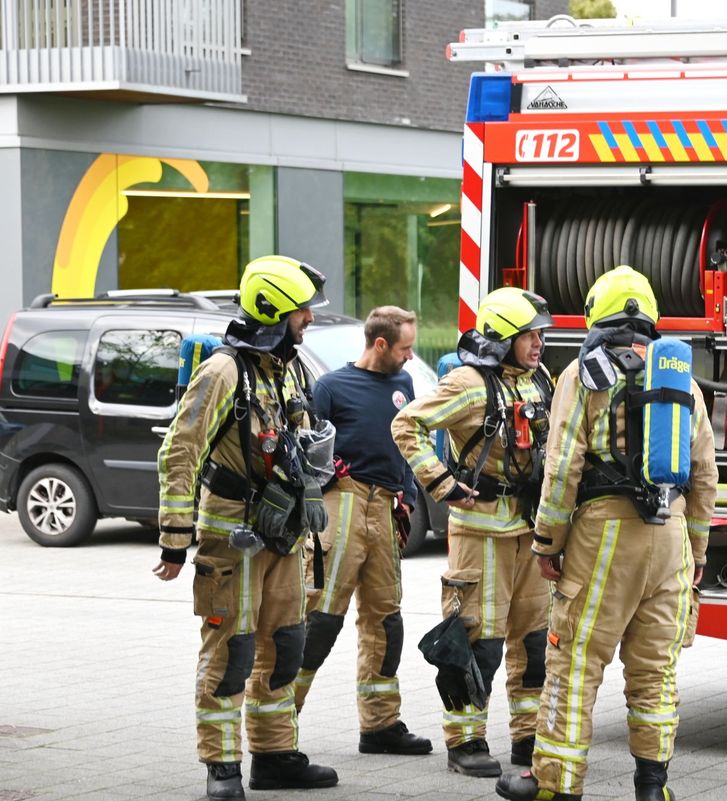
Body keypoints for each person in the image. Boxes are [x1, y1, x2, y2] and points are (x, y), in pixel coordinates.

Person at [495, 266, 718, 801]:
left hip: (604, 533)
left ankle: (555, 782)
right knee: (655, 669)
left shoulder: (583, 374)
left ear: (597, 314)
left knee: (575, 662)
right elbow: (705, 473)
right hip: (669, 537)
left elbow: (562, 465)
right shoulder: (680, 380)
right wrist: (698, 549)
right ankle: (652, 786)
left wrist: (548, 543)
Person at [152, 255, 338, 801]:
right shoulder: (223, 372)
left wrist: (313, 471)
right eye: (302, 311)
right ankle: (222, 766)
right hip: (229, 533)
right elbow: (179, 452)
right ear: (273, 312)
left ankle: (275, 756)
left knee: (285, 644)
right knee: (230, 649)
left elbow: (300, 439)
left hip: (283, 531)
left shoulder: (293, 369)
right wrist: (174, 538)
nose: (309, 320)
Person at [392, 287, 555, 778]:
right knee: (478, 641)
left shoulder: (539, 378)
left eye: (539, 335)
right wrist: (441, 483)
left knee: (534, 642)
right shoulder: (468, 382)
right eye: (528, 335)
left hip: (530, 530)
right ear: (503, 338)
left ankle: (528, 738)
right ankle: (466, 741)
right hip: (480, 532)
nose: (537, 344)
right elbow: (407, 424)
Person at [292, 306, 433, 757]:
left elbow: (406, 440)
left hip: (386, 509)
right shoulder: (331, 387)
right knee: (320, 620)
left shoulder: (403, 384)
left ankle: (380, 726)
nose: (410, 357)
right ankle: (278, 726)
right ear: (380, 345)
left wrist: (407, 493)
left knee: (386, 622)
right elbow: (307, 450)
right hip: (344, 504)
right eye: (406, 348)